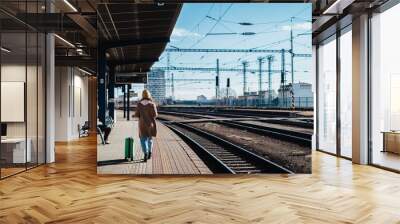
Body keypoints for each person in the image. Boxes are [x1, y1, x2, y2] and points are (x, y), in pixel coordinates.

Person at [134, 89, 158, 162]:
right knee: (150, 139)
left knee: (143, 139)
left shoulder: (139, 104)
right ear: (149, 95)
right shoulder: (152, 104)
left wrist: (135, 115)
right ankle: (150, 152)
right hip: (150, 124)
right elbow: (155, 115)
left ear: (142, 95)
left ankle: (145, 153)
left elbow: (137, 114)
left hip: (142, 124)